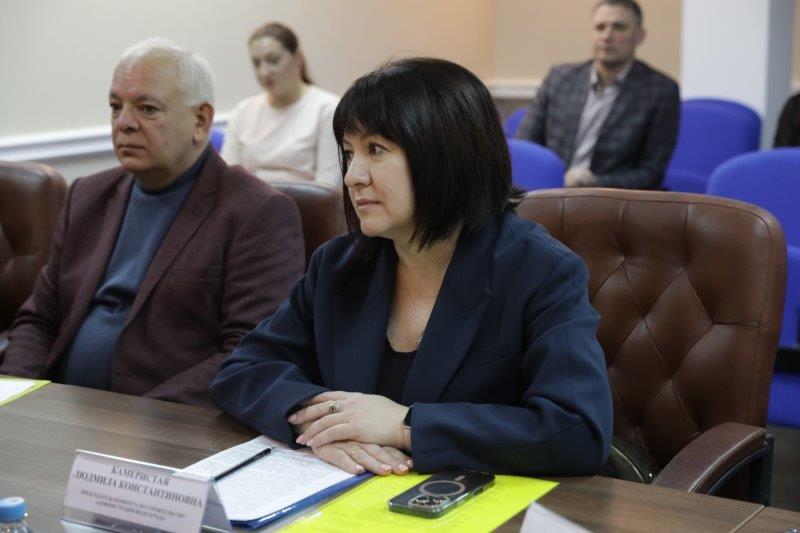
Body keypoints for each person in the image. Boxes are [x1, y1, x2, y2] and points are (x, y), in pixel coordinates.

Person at [211, 57, 613, 477]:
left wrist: (404, 425)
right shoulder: (339, 264)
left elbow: (576, 430)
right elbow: (243, 371)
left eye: (375, 150)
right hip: (349, 494)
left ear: (446, 155)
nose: (352, 176)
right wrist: (329, 419)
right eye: (348, 153)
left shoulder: (540, 271)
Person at [0, 39, 305, 407]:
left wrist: (139, 418)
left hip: (162, 422)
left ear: (201, 120)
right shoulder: (87, 195)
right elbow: (39, 319)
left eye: (147, 109)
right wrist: (13, 397)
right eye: (115, 107)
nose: (124, 123)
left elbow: (250, 353)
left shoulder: (256, 211)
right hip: (59, 409)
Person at [515, 0, 680, 189]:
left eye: (619, 27)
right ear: (591, 33)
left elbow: (651, 173)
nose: (607, 36)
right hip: (549, 191)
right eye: (600, 27)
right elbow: (525, 144)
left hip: (611, 198)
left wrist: (595, 184)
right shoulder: (559, 78)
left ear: (639, 36)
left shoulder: (660, 90)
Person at [220, 22, 340, 189]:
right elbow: (225, 179)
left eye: (273, 60)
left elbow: (328, 189)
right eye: (256, 63)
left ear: (298, 58)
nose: (264, 72)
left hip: (302, 205)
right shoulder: (243, 111)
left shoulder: (327, 109)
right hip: (249, 203)